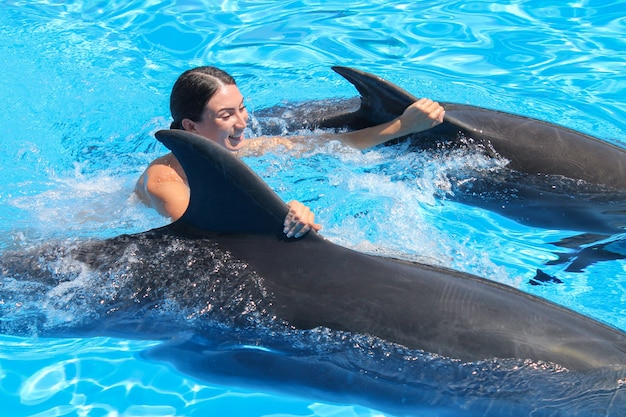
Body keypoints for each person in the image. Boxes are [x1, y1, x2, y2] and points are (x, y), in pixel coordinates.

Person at [135, 66, 445, 238]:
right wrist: (283, 215)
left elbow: (328, 145)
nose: (243, 122)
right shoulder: (163, 182)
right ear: (190, 127)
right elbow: (209, 232)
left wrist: (404, 125)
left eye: (242, 109)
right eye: (227, 115)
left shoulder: (237, 151)